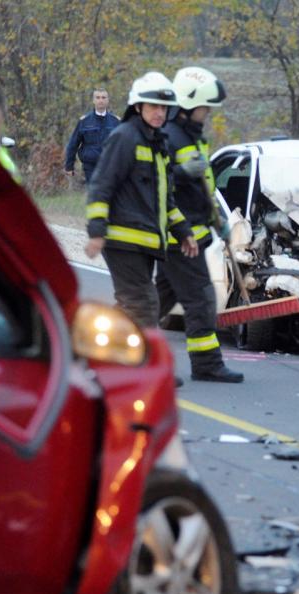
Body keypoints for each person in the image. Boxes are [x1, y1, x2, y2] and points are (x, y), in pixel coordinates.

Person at [83, 72, 200, 386]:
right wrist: (96, 230)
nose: (159, 112)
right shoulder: (125, 137)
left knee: (130, 304)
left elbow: (166, 200)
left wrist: (184, 231)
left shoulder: (158, 143)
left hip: (144, 241)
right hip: (122, 239)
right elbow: (101, 185)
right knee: (145, 301)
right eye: (152, 106)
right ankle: (151, 367)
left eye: (164, 107)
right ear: (137, 106)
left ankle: (96, 354)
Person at [158, 66, 242, 383]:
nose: (207, 113)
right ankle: (206, 363)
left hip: (194, 228)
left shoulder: (191, 136)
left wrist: (216, 219)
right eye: (205, 108)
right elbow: (158, 183)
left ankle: (118, 350)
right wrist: (180, 173)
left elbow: (202, 186)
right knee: (201, 299)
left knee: (156, 300)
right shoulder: (170, 136)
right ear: (189, 105)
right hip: (180, 235)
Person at [64, 88, 119, 182]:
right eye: (97, 97)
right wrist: (69, 166)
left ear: (107, 100)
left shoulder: (116, 121)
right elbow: (73, 144)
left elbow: (124, 145)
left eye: (103, 97)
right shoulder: (84, 121)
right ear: (93, 100)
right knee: (94, 194)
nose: (100, 100)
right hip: (91, 166)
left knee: (110, 195)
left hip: (111, 165)